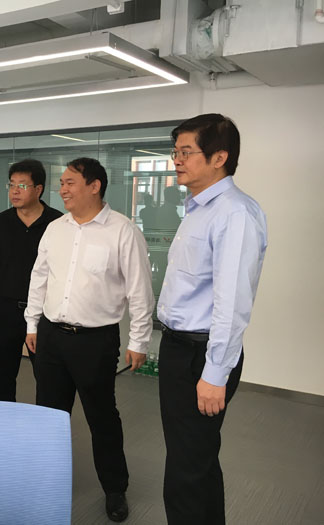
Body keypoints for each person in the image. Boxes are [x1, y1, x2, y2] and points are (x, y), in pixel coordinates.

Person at [24, 157, 154, 523]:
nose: (62, 189)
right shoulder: (56, 229)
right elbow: (39, 277)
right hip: (51, 336)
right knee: (49, 415)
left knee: (102, 417)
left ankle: (115, 488)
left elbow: (140, 291)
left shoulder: (123, 231)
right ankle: (46, 480)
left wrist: (139, 341)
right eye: (62, 183)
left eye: (70, 182)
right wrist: (32, 323)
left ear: (94, 186)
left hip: (95, 341)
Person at [158, 114, 267, 525]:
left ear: (219, 157)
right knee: (194, 459)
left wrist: (215, 373)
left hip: (200, 356)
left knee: (186, 471)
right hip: (180, 348)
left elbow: (232, 303)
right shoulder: (200, 208)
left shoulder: (234, 213)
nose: (177, 160)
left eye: (186, 152)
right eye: (176, 151)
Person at [0, 159, 62, 401]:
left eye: (22, 185)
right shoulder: (1, 222)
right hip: (6, 309)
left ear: (38, 189)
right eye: (11, 185)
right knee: (3, 376)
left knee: (48, 378)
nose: (15, 191)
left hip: (44, 312)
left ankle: (44, 423)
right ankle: (3, 422)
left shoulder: (58, 223)